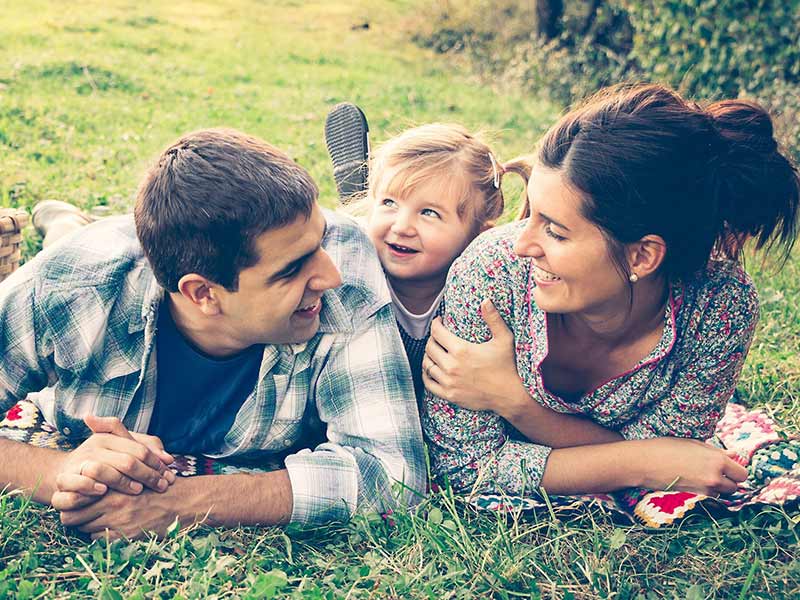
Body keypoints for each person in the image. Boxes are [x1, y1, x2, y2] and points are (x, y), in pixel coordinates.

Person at [0, 128, 426, 539]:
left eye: (319, 244)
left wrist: (179, 505)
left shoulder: (346, 258)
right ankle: (65, 224)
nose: (329, 276)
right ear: (203, 294)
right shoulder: (70, 285)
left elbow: (395, 473)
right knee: (68, 243)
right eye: (292, 269)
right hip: (104, 262)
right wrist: (59, 472)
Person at [421, 83, 799, 498]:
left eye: (556, 231)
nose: (522, 244)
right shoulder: (493, 271)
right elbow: (466, 466)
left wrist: (515, 404)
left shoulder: (719, 308)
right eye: (531, 213)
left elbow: (672, 455)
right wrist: (646, 461)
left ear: (642, 256)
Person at [357, 123, 527, 400]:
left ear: (479, 236)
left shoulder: (482, 298)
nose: (402, 227)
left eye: (429, 213)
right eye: (389, 203)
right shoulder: (356, 273)